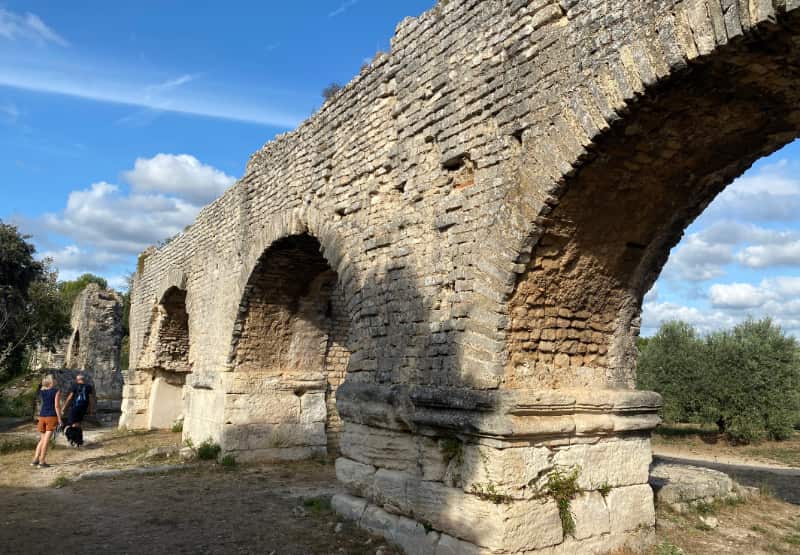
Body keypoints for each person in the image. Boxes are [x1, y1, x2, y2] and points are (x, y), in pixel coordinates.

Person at [32, 374, 61, 468]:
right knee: (46, 441)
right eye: (54, 379)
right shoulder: (56, 391)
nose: (56, 380)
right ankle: (42, 461)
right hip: (51, 417)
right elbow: (57, 406)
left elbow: (44, 386)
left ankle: (35, 460)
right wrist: (60, 419)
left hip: (42, 417)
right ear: (52, 382)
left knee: (42, 439)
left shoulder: (42, 391)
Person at [63, 372, 95, 447]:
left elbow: (70, 397)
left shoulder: (74, 386)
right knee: (78, 424)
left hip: (75, 407)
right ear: (84, 380)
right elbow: (90, 399)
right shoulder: (88, 387)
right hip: (83, 408)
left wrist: (64, 407)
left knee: (71, 425)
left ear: (77, 380)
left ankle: (74, 440)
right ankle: (79, 440)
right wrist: (91, 409)